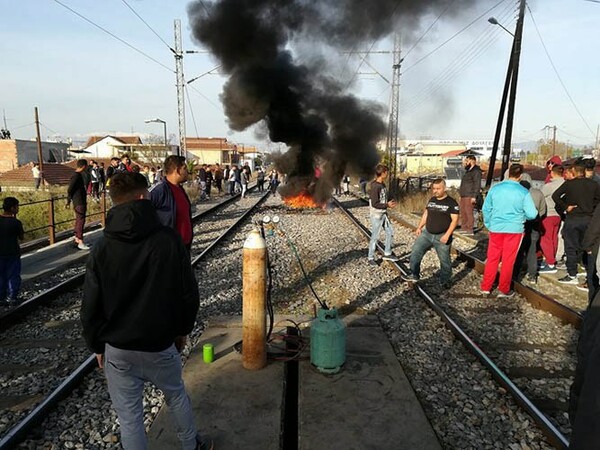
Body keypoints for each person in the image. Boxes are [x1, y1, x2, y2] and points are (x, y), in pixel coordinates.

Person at [81, 172, 211, 450]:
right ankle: (192, 446)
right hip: (159, 343)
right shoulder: (169, 240)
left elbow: (91, 303)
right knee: (176, 396)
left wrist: (97, 344)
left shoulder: (101, 247)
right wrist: (182, 330)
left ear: (115, 202)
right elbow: (188, 293)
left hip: (118, 348)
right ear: (142, 197)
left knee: (130, 419)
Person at [480, 164, 538, 298]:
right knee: (508, 260)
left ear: (508, 173)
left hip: (496, 228)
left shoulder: (495, 188)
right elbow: (532, 214)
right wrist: (523, 217)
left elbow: (486, 208)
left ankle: (486, 287)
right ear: (521, 176)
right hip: (514, 230)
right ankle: (503, 289)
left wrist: (489, 223)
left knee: (493, 258)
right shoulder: (523, 192)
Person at [402, 179, 459, 288]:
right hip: (427, 233)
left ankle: (445, 280)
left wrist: (447, 235)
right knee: (415, 252)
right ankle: (414, 274)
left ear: (444, 188)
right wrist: (419, 227)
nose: (435, 191)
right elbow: (426, 214)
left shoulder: (451, 203)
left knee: (444, 260)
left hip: (442, 236)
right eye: (434, 189)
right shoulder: (432, 200)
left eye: (438, 189)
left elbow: (455, 220)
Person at [552, 163, 600, 285]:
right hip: (589, 218)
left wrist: (565, 206)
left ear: (574, 171)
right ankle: (588, 271)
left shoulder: (569, 184)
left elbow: (555, 196)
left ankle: (572, 274)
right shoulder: (594, 184)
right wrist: (591, 207)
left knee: (571, 247)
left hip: (573, 218)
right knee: (588, 247)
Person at [149, 155, 193, 250]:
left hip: (184, 246)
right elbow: (140, 210)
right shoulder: (159, 190)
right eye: (184, 168)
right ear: (177, 170)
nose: (187, 172)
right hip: (168, 248)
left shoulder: (179, 188)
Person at [515, 175, 546, 284]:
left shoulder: (517, 192)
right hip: (535, 225)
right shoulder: (538, 193)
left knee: (518, 250)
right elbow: (543, 210)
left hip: (520, 225)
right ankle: (532, 275)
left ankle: (515, 274)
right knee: (532, 250)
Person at [367, 164, 399, 265]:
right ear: (383, 173)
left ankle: (387, 253)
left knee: (390, 232)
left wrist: (389, 201)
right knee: (375, 237)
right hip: (377, 215)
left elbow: (384, 197)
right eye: (386, 172)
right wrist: (387, 205)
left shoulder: (382, 185)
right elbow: (375, 203)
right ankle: (370, 257)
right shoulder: (375, 186)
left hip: (383, 214)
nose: (387, 174)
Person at [539, 164, 564, 274]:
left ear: (552, 173)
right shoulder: (566, 184)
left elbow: (539, 196)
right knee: (554, 238)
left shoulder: (549, 186)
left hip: (548, 214)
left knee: (546, 239)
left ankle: (550, 263)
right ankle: (552, 259)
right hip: (558, 215)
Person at [0, 197, 24, 306]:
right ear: (12, 208)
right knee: (13, 275)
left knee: (1, 275)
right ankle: (13, 297)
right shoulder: (16, 223)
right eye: (17, 206)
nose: (18, 208)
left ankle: (1, 297)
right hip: (13, 252)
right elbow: (21, 237)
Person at [66, 159, 90, 250]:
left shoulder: (78, 175)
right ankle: (80, 240)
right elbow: (70, 189)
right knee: (81, 220)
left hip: (79, 200)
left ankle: (77, 239)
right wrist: (68, 200)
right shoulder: (76, 176)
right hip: (79, 201)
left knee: (79, 220)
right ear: (84, 166)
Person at [458, 155, 482, 236]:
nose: (465, 163)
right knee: (463, 211)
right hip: (464, 194)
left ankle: (469, 228)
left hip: (470, 194)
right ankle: (464, 227)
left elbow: (477, 184)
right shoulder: (468, 171)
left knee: (469, 212)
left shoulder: (476, 171)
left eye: (467, 161)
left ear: (472, 161)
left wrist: (474, 196)